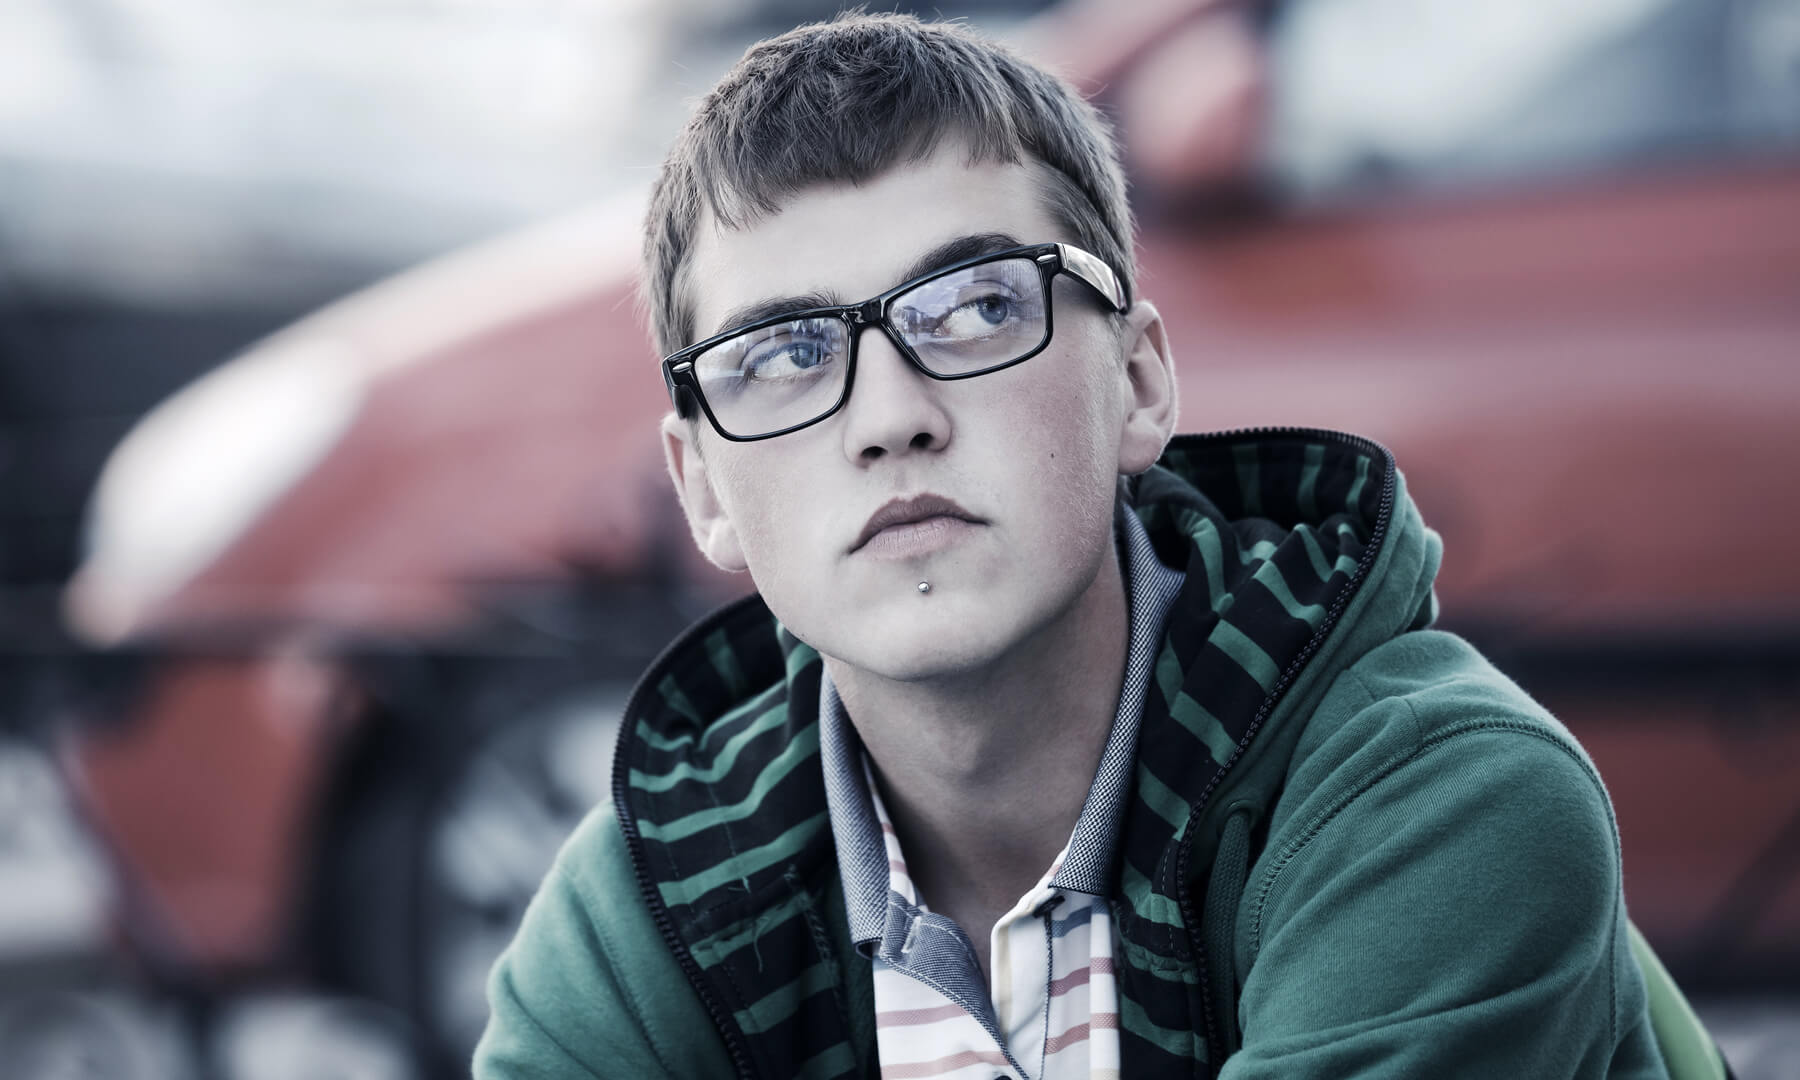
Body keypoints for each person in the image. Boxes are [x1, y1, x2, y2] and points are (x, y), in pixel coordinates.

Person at [473, 13, 1695, 1079]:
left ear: (1142, 382)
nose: (891, 416)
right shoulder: (657, 905)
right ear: (704, 489)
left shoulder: (1442, 808)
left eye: (976, 307)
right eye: (785, 357)